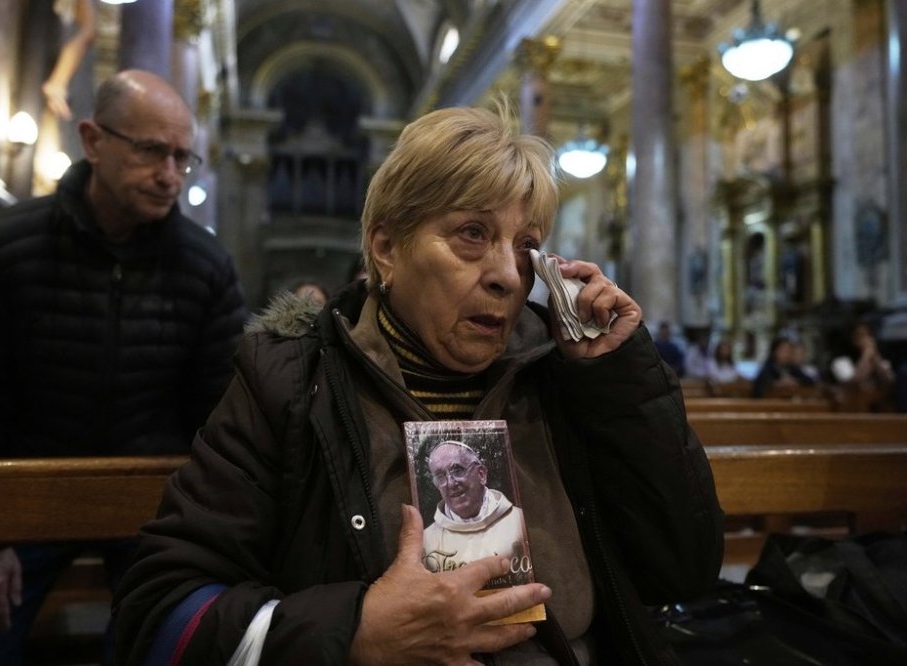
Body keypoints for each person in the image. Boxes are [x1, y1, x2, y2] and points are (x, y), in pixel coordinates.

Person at [112, 103, 722, 665]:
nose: (508, 276)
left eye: (526, 246)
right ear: (386, 248)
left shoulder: (564, 380)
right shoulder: (292, 383)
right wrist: (355, 630)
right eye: (472, 234)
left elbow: (685, 569)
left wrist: (616, 379)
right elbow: (161, 611)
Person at [0, 69, 250, 664]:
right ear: (93, 140)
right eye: (153, 151)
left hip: (151, 504)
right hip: (19, 496)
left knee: (161, 644)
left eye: (182, 157)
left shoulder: (206, 267)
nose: (170, 175)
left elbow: (220, 412)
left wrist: (203, 540)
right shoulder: (3, 247)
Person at [422, 440, 526, 576]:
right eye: (441, 476)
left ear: (481, 474)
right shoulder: (427, 541)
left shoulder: (519, 523)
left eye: (457, 470)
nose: (451, 483)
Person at [829, 322, 896, 411]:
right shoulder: (840, 361)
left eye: (868, 335)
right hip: (851, 409)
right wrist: (866, 355)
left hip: (878, 408)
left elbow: (889, 380)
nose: (866, 340)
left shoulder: (879, 358)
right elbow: (854, 381)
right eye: (860, 336)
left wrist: (876, 359)